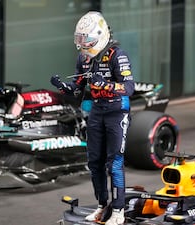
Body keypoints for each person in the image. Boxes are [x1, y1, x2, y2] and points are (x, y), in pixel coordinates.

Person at [50, 11, 134, 225]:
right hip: (97, 111)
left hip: (117, 112)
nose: (83, 45)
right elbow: (77, 89)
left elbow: (129, 88)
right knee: (94, 162)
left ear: (100, 35)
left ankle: (118, 211)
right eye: (80, 40)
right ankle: (102, 205)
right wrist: (62, 86)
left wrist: (105, 84)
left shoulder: (118, 55)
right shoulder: (83, 58)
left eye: (87, 40)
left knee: (114, 163)